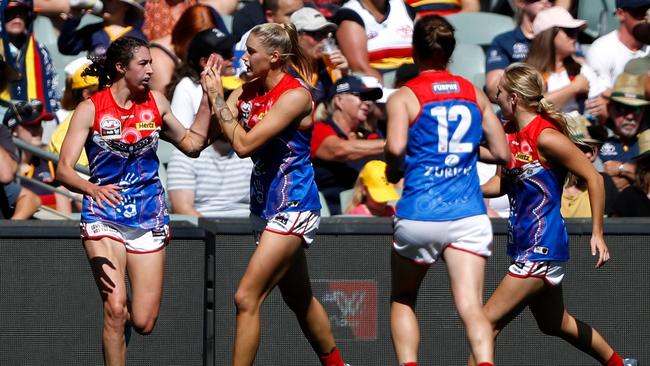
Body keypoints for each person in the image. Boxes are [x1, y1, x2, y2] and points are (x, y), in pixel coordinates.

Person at [55, 36, 219, 365]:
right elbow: (63, 170)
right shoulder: (91, 109)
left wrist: (208, 101)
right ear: (121, 68)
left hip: (147, 214)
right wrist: (93, 189)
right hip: (104, 214)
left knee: (143, 321)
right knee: (116, 309)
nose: (151, 69)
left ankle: (121, 331)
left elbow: (191, 144)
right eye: (143, 63)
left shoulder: (156, 102)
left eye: (150, 62)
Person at [201, 22, 349, 366]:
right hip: (265, 205)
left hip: (294, 204)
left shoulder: (295, 95)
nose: (244, 58)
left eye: (251, 51)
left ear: (275, 56)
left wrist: (217, 97)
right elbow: (205, 137)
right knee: (300, 299)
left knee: (246, 297)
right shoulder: (246, 90)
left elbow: (242, 144)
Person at [472, 62, 636, 366]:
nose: (495, 98)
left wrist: (597, 232)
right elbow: (499, 185)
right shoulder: (507, 132)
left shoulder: (546, 136)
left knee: (483, 325)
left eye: (499, 93)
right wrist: (460, 187)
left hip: (542, 247)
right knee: (555, 323)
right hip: (523, 244)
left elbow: (595, 178)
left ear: (514, 98)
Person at [384, 15, 510, 366]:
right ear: (450, 53)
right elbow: (502, 153)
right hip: (468, 213)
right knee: (471, 307)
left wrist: (393, 169)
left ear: (414, 52)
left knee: (404, 297)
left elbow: (395, 149)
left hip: (420, 212)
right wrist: (466, 150)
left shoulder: (404, 96)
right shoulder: (473, 93)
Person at [311, 75, 385, 215]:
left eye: (369, 98)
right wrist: (391, 144)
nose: (368, 103)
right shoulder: (319, 128)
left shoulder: (372, 136)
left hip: (366, 216)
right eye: (360, 96)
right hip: (326, 218)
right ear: (339, 100)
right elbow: (339, 150)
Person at [525, 6, 600, 114]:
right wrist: (575, 87)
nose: (575, 38)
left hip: (577, 129)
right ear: (549, 36)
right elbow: (530, 108)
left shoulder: (582, 70)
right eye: (569, 32)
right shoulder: (526, 73)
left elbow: (597, 110)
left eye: (576, 32)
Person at [585, 0, 650, 121]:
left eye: (647, 12)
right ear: (620, 14)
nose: (644, 18)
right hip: (618, 120)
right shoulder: (602, 48)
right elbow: (600, 97)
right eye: (638, 12)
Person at [598, 72, 649, 192]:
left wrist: (623, 169)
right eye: (623, 108)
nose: (630, 117)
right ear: (610, 109)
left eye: (636, 109)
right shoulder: (596, 138)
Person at [289, 7, 349, 105]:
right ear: (295, 37)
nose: (324, 41)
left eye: (326, 34)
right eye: (316, 34)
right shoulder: (282, 71)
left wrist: (345, 76)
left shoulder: (329, 67)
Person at [57, 0, 148, 57]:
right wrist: (74, 19)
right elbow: (66, 48)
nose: (104, 4)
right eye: (102, 1)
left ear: (125, 6)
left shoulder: (138, 37)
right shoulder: (92, 31)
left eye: (109, 1)